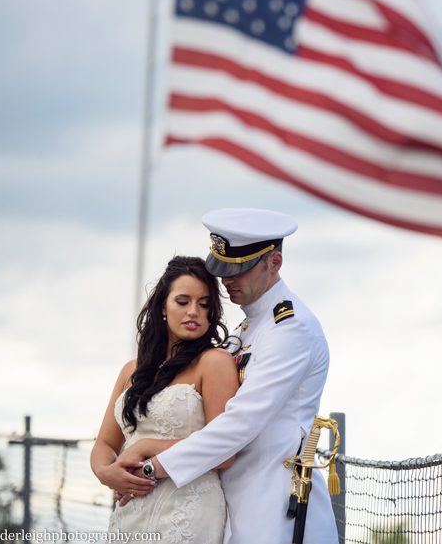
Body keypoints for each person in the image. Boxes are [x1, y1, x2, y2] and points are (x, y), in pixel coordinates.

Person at [116, 208, 338, 544]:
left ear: (274, 263)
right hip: (232, 507)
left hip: (274, 511)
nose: (227, 279)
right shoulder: (249, 328)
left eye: (241, 268)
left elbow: (239, 424)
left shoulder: (290, 330)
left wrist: (153, 466)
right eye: (224, 268)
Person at [90, 255, 238, 543]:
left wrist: (147, 447)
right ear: (162, 308)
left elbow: (226, 451)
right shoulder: (131, 371)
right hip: (131, 510)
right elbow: (105, 444)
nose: (193, 311)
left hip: (187, 510)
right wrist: (106, 473)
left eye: (204, 304)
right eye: (183, 302)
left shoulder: (214, 363)